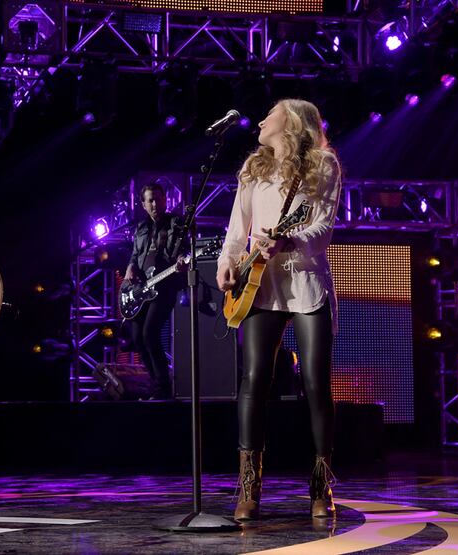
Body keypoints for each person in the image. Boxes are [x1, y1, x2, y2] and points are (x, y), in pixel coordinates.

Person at [216, 99, 342, 520]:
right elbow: (237, 231)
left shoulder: (323, 165)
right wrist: (227, 263)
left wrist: (291, 241)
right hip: (260, 283)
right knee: (254, 379)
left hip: (306, 280)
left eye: (270, 112)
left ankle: (321, 485)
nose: (261, 118)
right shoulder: (254, 168)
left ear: (291, 122)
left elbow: (322, 227)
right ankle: (248, 487)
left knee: (315, 382)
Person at [124, 181, 186, 400]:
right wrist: (130, 267)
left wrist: (182, 260)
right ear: (143, 204)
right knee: (137, 338)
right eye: (150, 200)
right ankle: (156, 384)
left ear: (165, 200)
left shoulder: (175, 223)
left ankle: (163, 388)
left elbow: (183, 249)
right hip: (142, 289)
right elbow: (135, 255)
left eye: (158, 199)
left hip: (164, 286)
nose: (154, 204)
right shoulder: (141, 228)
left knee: (150, 334)